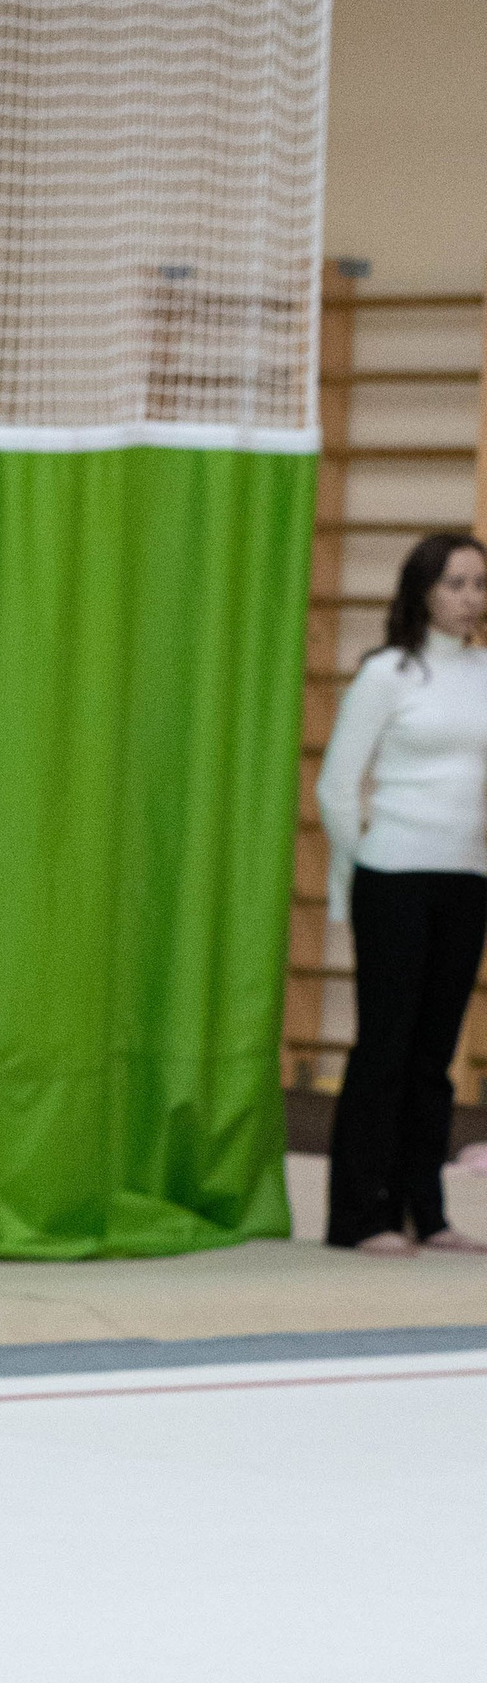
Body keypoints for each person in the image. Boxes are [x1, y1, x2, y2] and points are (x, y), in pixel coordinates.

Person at [315, 530, 487, 1254]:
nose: (470, 597)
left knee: (434, 1056)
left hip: (466, 878)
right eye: (456, 583)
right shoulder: (387, 673)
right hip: (393, 876)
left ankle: (429, 1210)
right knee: (384, 1049)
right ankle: (361, 1215)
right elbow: (334, 788)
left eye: (479, 583)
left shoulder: (484, 672)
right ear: (423, 590)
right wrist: (364, 872)